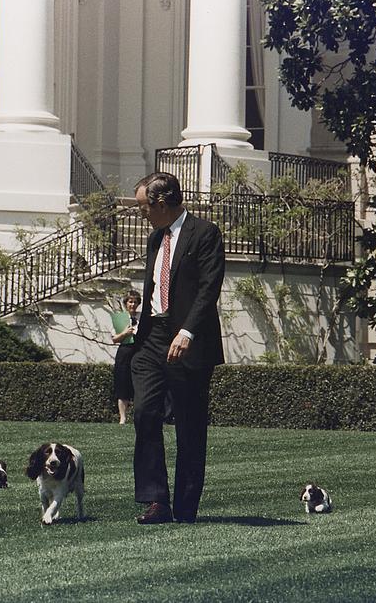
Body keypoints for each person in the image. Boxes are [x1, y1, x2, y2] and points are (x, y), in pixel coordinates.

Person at [131, 172, 225, 525]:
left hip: (189, 342)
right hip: (152, 339)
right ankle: (156, 500)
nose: (142, 214)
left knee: (189, 425)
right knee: (145, 412)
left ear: (162, 202)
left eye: (144, 208)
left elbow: (208, 288)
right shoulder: (156, 238)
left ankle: (185, 508)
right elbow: (155, 285)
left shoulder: (205, 234)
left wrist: (187, 332)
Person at [111, 289, 141, 425]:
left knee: (138, 385)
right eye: (130, 301)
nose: (132, 304)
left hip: (139, 352)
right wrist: (125, 333)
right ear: (126, 303)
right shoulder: (119, 318)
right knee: (122, 385)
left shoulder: (142, 317)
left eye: (135, 302)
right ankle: (122, 418)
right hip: (124, 353)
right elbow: (114, 339)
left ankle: (138, 416)